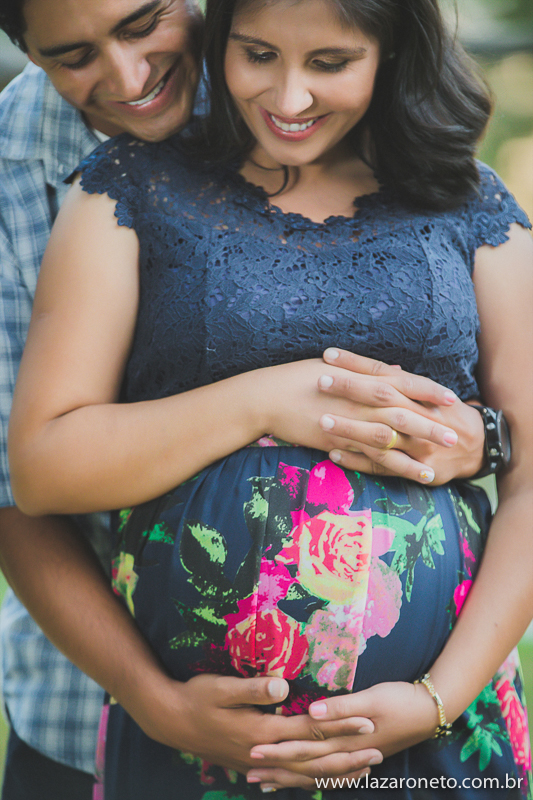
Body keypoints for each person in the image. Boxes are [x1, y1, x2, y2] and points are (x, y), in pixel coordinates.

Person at [6, 0, 532, 799]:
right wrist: (267, 399)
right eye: (257, 55)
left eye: (329, 63)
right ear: (226, 37)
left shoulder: (469, 202)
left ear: (390, 54)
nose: (287, 99)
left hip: (432, 732)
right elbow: (37, 474)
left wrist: (438, 698)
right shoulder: (123, 191)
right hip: (189, 734)